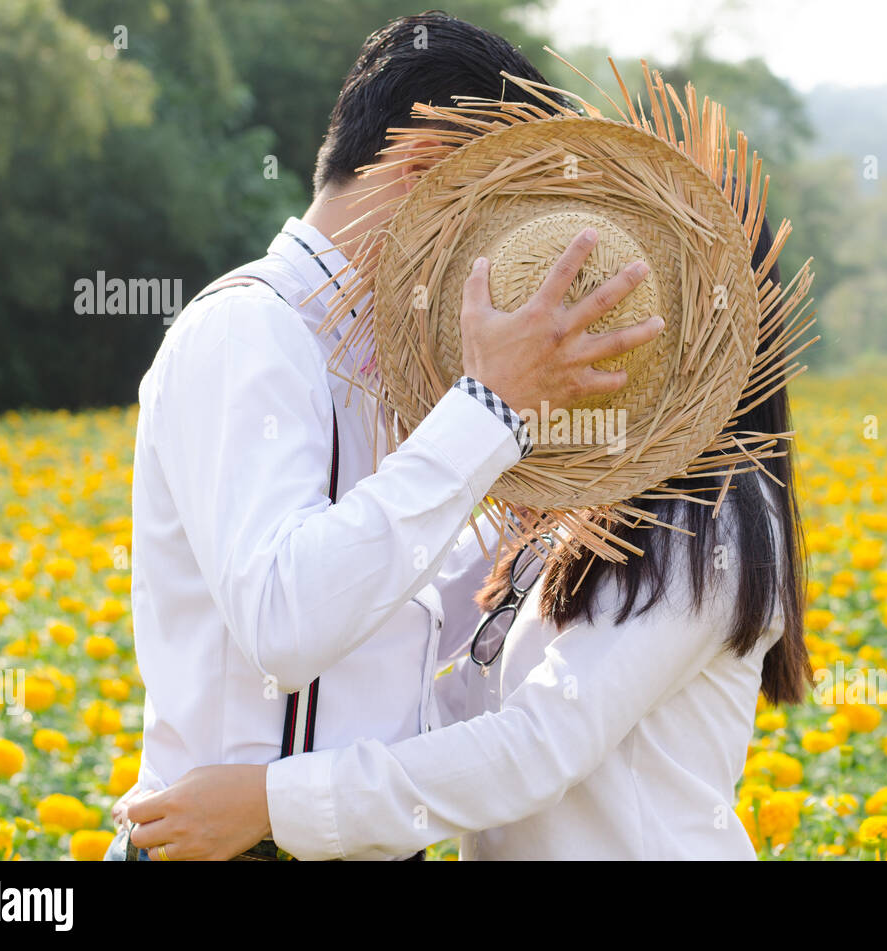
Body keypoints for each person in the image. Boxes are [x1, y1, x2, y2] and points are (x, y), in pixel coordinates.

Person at [106, 13, 662, 861]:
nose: (503, 245)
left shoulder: (384, 364)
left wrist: (537, 500)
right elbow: (285, 624)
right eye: (502, 203)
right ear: (428, 167)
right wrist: (486, 412)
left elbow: (396, 638)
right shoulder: (250, 328)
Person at [123, 217, 810, 860]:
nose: (581, 318)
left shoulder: (709, 509)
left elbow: (537, 745)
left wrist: (273, 803)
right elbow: (462, 703)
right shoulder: (583, 499)